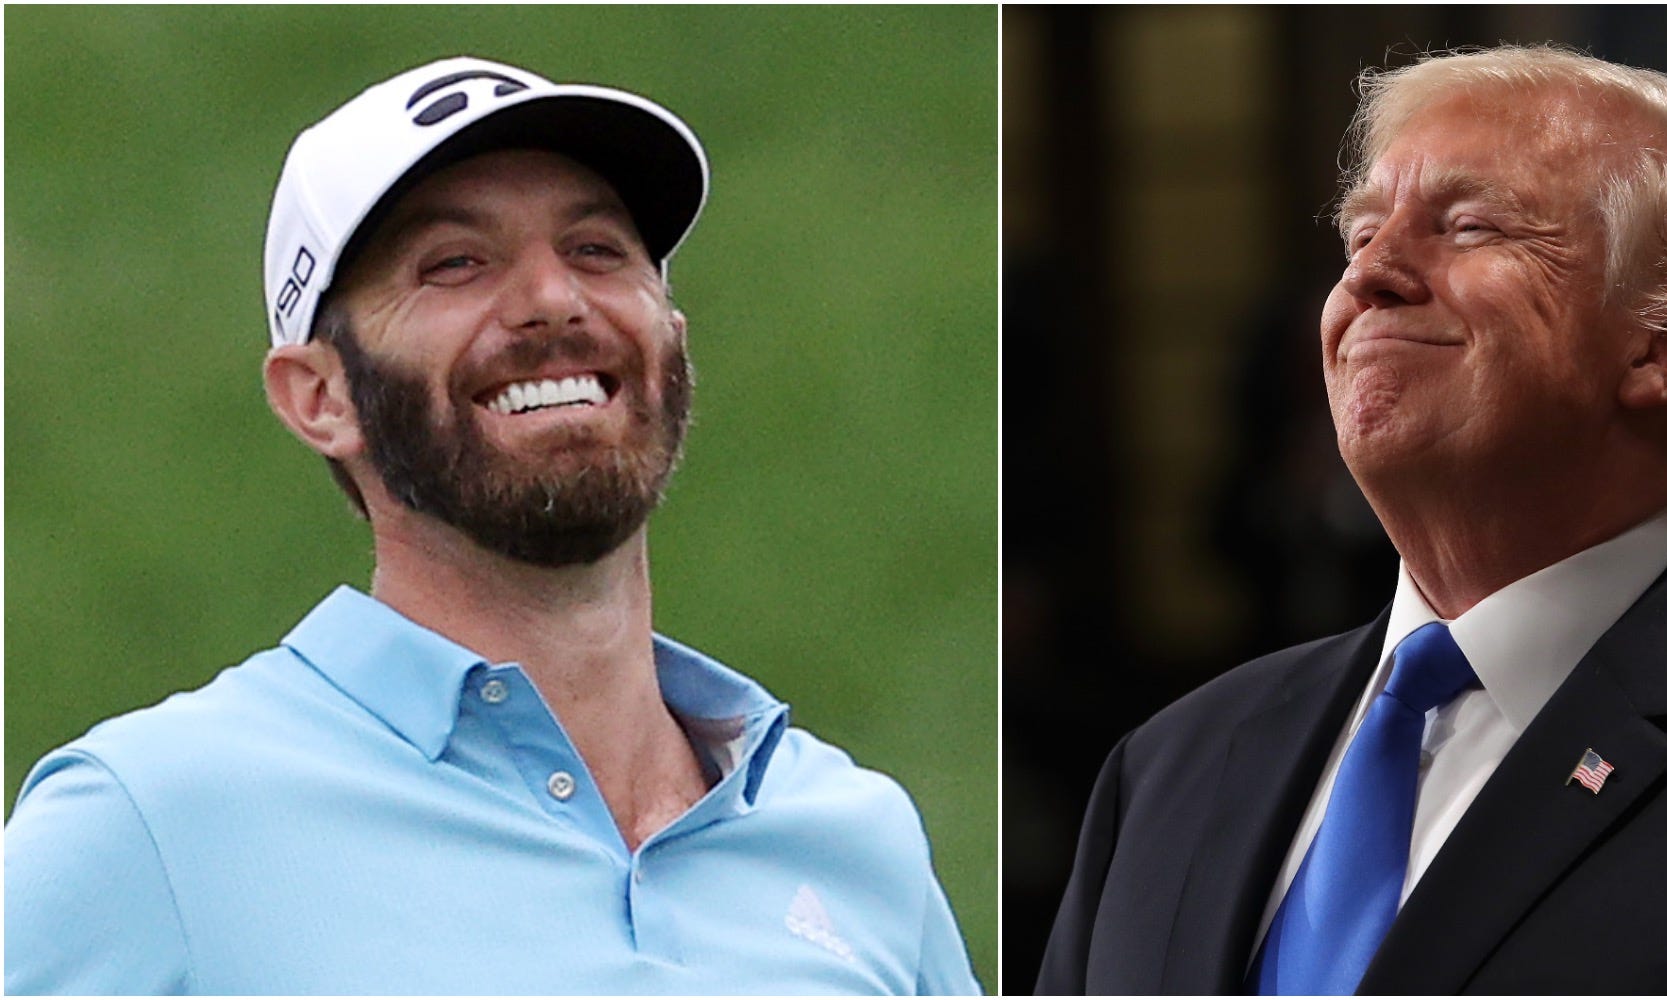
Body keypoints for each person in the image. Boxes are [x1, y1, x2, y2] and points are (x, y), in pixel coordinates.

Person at [6, 56, 980, 996]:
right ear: (318, 396)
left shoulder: (853, 839)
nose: (553, 299)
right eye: (455, 263)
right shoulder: (146, 826)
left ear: (669, 337)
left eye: (597, 249)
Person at [1037, 45, 1667, 995]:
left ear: (1661, 348)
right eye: (1360, 235)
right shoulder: (1168, 769)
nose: (1371, 277)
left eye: (1468, 226)